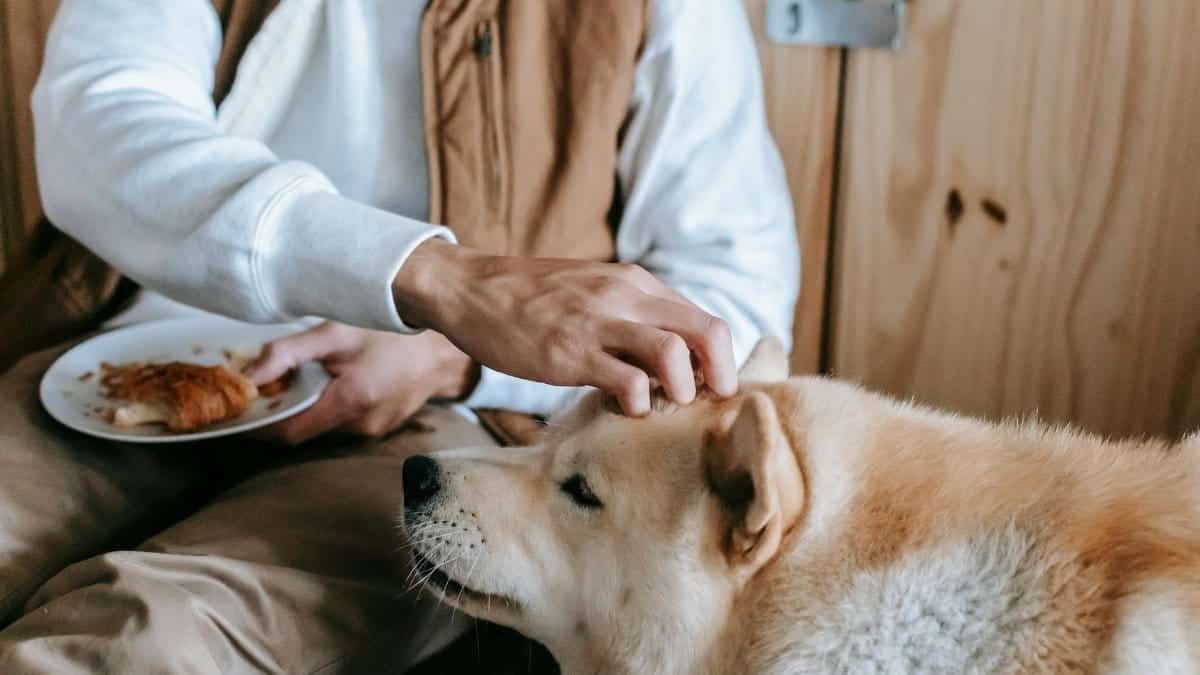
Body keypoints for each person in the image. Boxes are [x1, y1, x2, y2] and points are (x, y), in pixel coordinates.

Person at [0, 0, 799, 671]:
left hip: (443, 423)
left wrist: (456, 354)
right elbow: (96, 114)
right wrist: (435, 279)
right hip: (132, 362)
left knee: (144, 642)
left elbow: (735, 302)